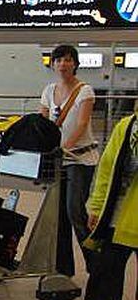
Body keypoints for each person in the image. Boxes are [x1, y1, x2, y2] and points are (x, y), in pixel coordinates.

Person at [72, 107, 138, 300]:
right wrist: (97, 207)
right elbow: (106, 169)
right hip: (117, 217)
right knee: (103, 275)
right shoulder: (127, 126)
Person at [39, 45, 99, 278]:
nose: (62, 64)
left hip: (80, 159)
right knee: (58, 215)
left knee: (75, 210)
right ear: (53, 64)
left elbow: (82, 124)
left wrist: (64, 148)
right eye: (58, 60)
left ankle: (96, 264)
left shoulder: (85, 91)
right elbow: (43, 124)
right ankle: (63, 269)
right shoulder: (48, 90)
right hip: (58, 161)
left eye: (67, 59)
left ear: (75, 63)